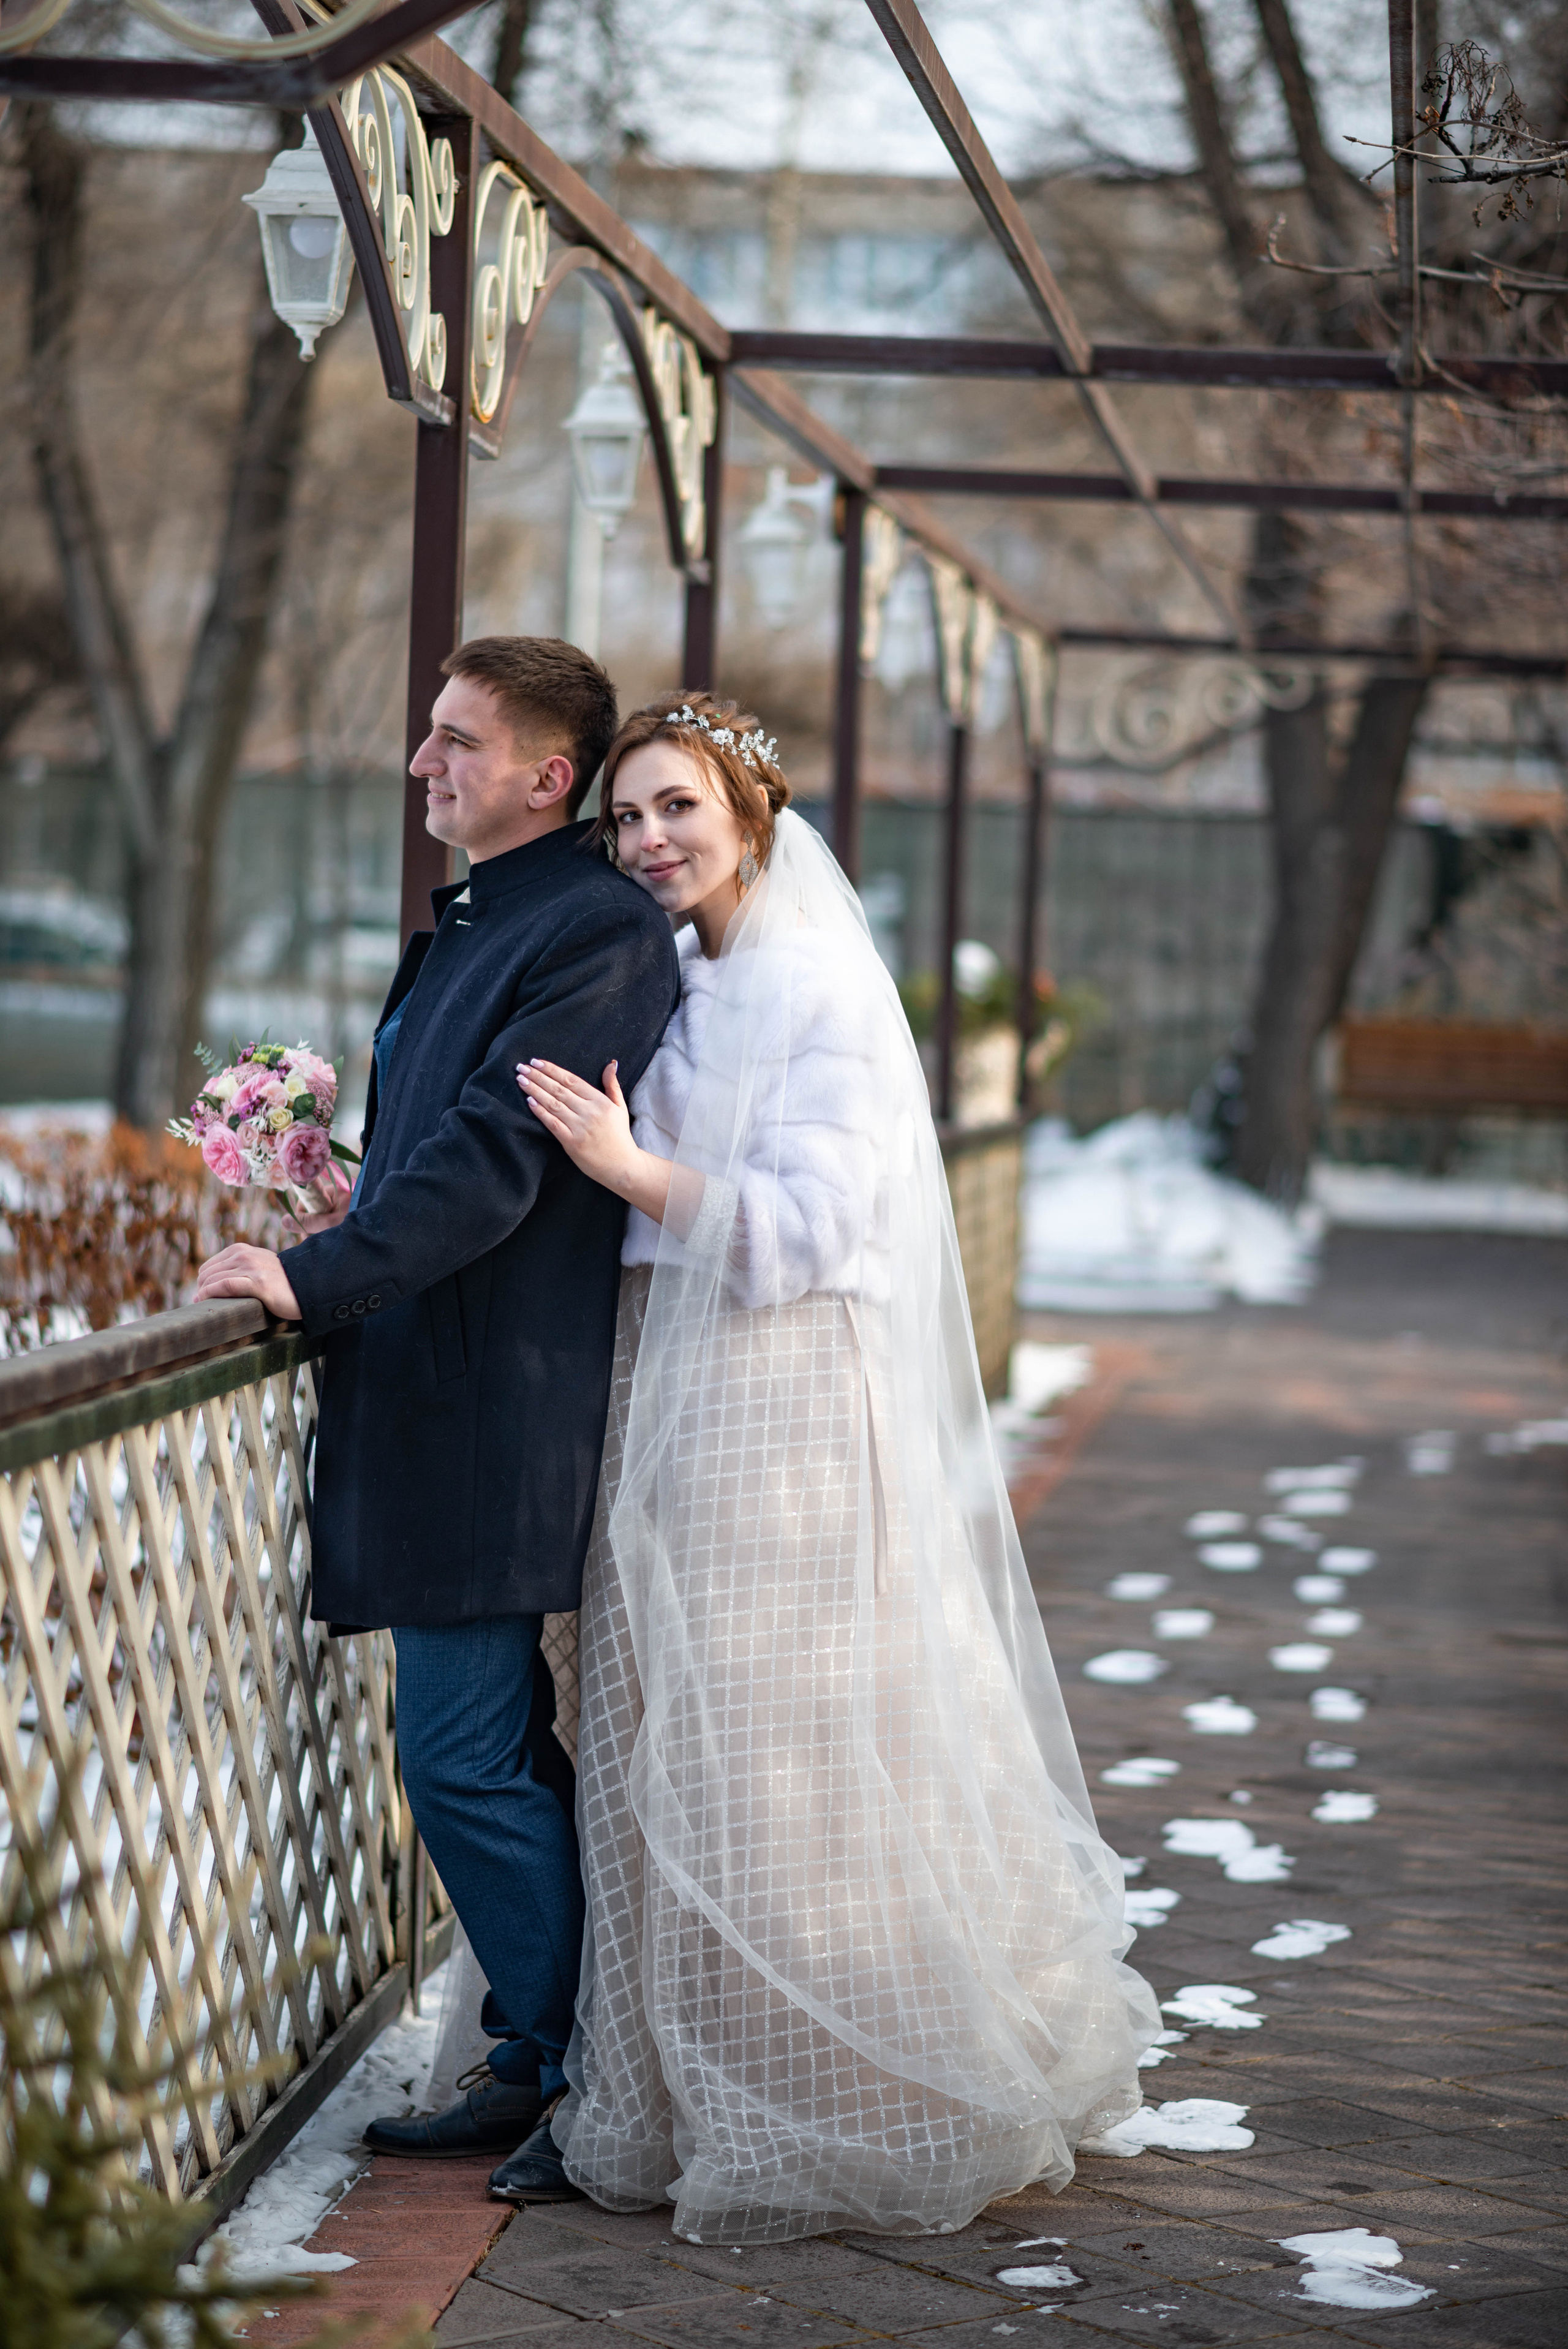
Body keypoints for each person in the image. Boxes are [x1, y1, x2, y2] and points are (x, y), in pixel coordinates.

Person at [490, 690, 1159, 2242]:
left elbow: (815, 1226)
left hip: (777, 1392)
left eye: (677, 810)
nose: (648, 840)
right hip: (654, 1372)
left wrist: (631, 1167)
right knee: (649, 1713)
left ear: (748, 818)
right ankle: (657, 2079)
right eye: (629, 817)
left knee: (764, 1724)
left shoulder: (816, 985)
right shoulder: (657, 971)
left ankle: (825, 2075)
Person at [195, 638, 680, 2176]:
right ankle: (547, 2056)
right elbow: (443, 1153)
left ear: (548, 774)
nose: (425, 764)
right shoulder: (483, 922)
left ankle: (559, 2073)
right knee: (483, 1749)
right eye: (429, 736)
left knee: (464, 1754)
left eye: (457, 742)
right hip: (430, 1380)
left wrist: (311, 1269)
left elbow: (493, 1163)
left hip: (493, 1399)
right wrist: (335, 1194)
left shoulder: (593, 932)